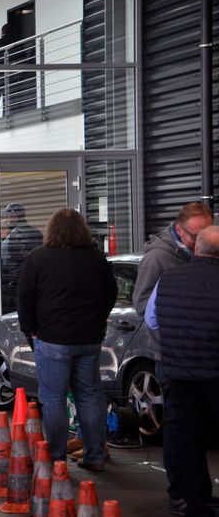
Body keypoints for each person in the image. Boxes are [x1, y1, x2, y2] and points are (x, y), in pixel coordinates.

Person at [17, 208, 117, 470]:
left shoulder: (37, 258)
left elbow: (25, 298)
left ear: (51, 230)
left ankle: (56, 458)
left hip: (52, 339)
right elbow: (111, 292)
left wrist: (30, 330)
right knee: (90, 395)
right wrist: (98, 321)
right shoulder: (95, 258)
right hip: (88, 338)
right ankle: (95, 455)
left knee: (53, 398)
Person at [144, 225, 219, 517]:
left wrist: (177, 345)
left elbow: (152, 320)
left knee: (184, 438)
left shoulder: (168, 279)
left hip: (177, 372)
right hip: (214, 373)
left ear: (196, 249)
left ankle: (188, 500)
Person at [133, 201, 214, 315]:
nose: (201, 241)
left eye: (206, 235)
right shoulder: (156, 260)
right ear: (179, 230)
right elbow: (142, 307)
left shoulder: (208, 253)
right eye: (195, 236)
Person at [0, 203, 43, 314]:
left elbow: (11, 263)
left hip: (20, 285)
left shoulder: (14, 235)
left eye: (8, 216)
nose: (7, 219)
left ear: (14, 216)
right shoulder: (36, 232)